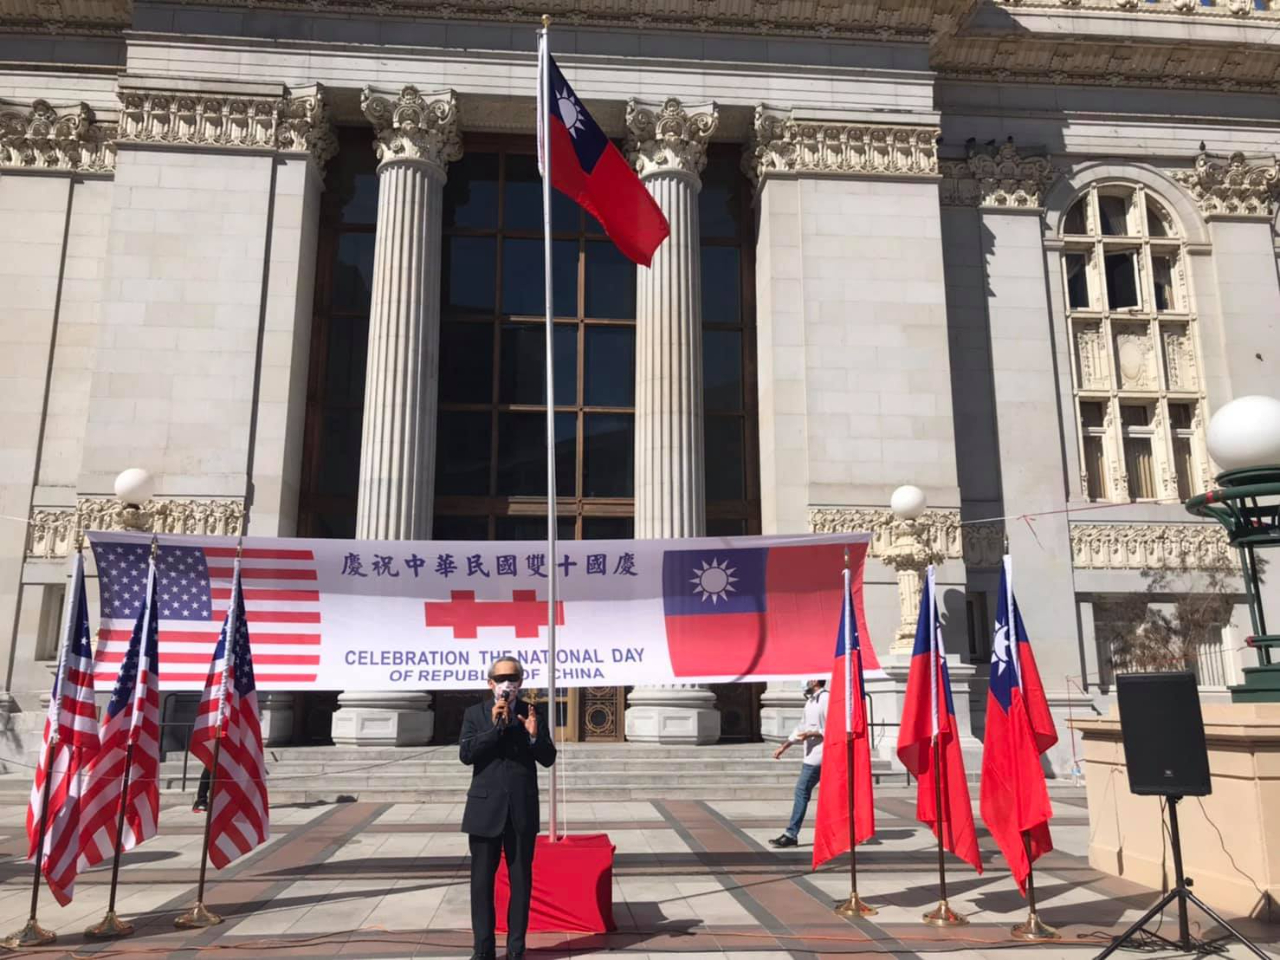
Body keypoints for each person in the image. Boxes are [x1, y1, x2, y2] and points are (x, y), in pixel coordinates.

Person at [460, 657, 557, 960]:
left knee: (521, 882)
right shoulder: (475, 713)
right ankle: (484, 950)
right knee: (481, 885)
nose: (507, 683)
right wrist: (493, 725)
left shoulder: (531, 711)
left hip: (521, 811)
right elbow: (466, 754)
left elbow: (548, 757)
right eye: (500, 677)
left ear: (521, 682)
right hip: (485, 810)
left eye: (513, 677)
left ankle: (516, 949)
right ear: (490, 683)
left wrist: (532, 735)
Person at [768, 678, 827, 848]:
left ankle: (791, 834)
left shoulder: (825, 699)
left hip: (820, 755)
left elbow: (835, 727)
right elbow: (800, 728)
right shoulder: (810, 701)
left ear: (815, 680)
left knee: (802, 791)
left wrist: (812, 733)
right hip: (811, 754)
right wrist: (784, 746)